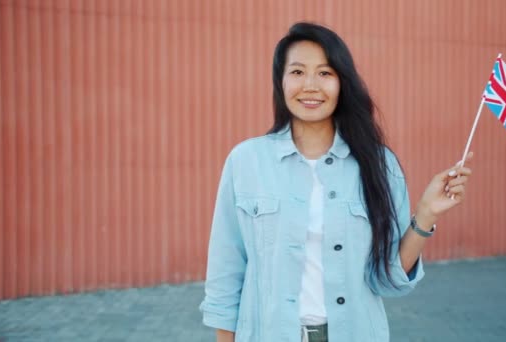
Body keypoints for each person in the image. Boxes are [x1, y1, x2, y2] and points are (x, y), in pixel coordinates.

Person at [199, 22, 473, 342]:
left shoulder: (379, 165)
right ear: (281, 81)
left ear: (343, 83)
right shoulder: (246, 161)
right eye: (298, 72)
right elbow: (225, 273)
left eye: (326, 73)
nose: (311, 85)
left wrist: (426, 213)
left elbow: (387, 280)